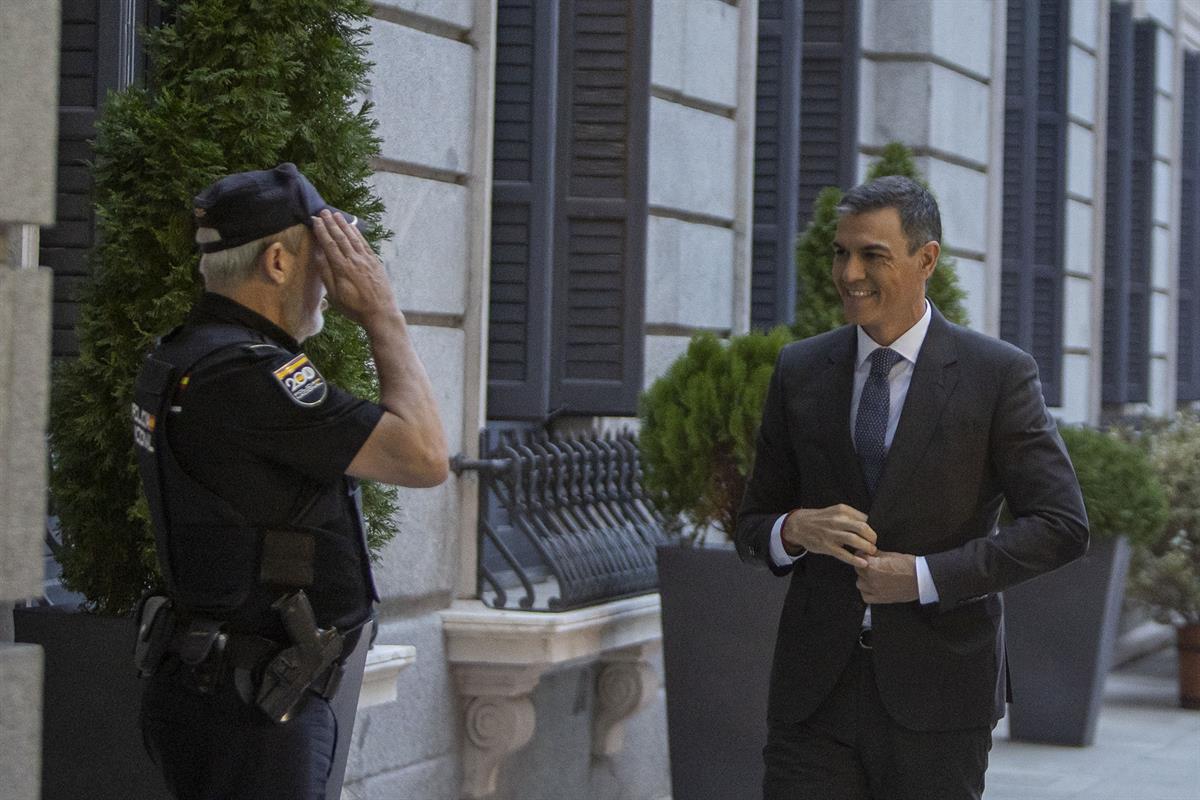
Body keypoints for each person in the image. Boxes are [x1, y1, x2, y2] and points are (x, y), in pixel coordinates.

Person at [735, 175, 1089, 800]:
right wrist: (792, 530)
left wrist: (925, 577)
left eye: (873, 255)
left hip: (941, 696)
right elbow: (752, 522)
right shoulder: (800, 369)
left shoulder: (998, 375)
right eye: (841, 253)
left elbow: (1062, 526)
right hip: (813, 695)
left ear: (926, 260)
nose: (849, 273)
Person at [131, 162, 448, 800]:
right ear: (278, 262)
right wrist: (384, 316)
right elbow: (423, 456)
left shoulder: (187, 354)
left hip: (220, 687)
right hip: (250, 706)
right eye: (324, 259)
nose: (334, 282)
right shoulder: (248, 374)